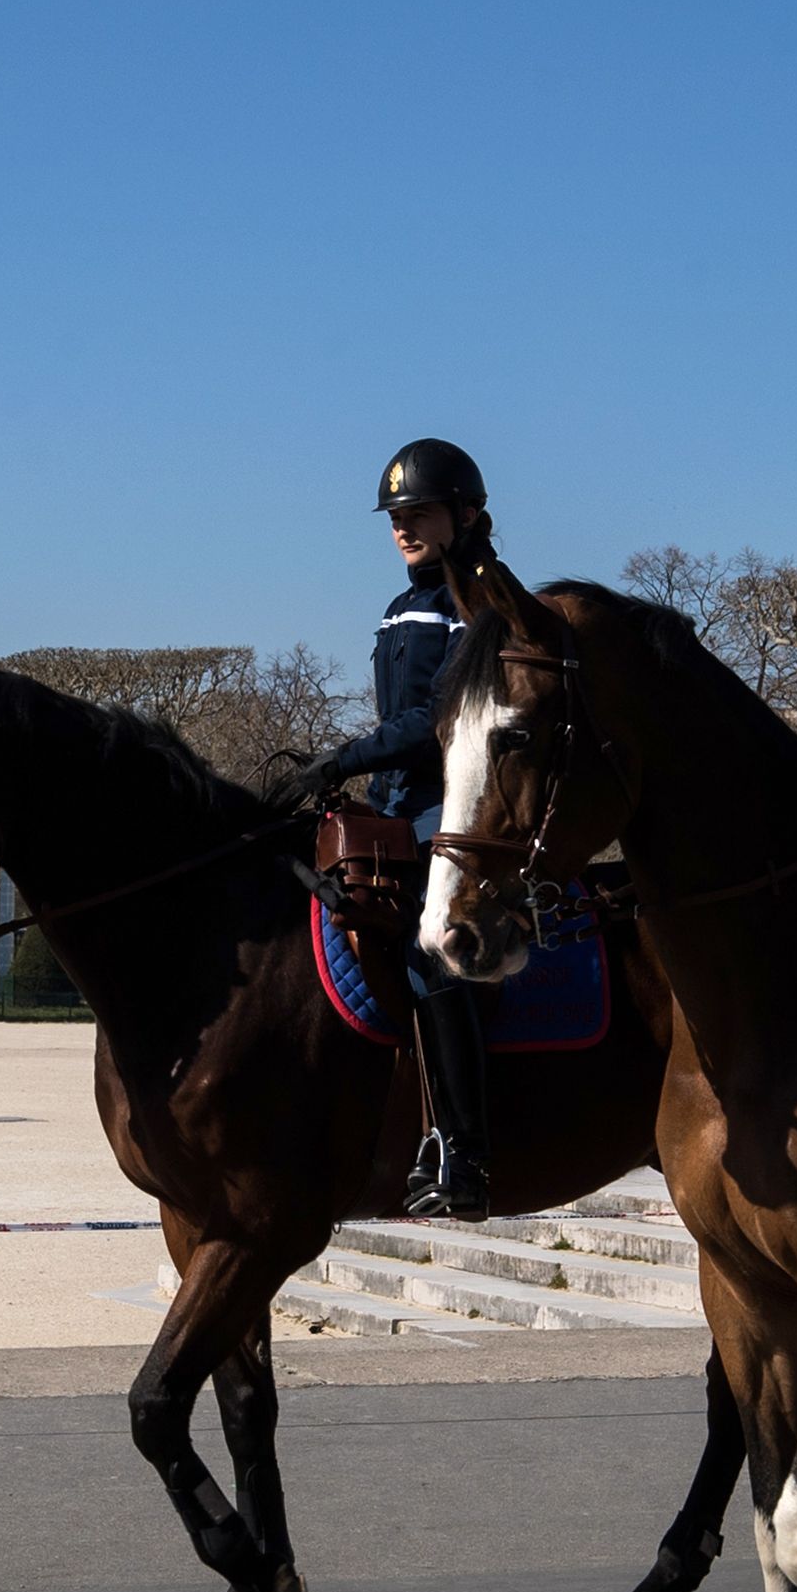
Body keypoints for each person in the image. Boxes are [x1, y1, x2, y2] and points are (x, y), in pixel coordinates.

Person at [283, 439, 498, 1219]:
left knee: (428, 942)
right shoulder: (400, 601)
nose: (404, 527)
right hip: (400, 795)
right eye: (397, 517)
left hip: (459, 797)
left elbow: (436, 719)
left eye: (420, 514)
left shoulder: (478, 603)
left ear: (465, 516)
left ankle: (463, 1148)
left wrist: (341, 758)